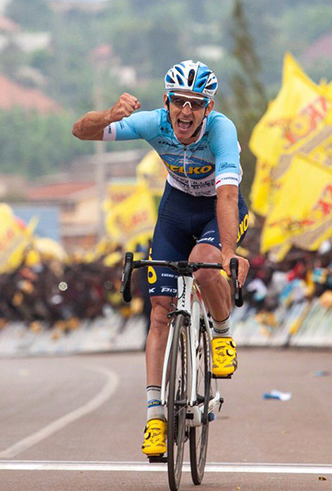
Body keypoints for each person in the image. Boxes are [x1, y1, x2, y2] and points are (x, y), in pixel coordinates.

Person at [73, 60, 250, 457]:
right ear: (166, 101)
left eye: (196, 104)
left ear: (208, 107)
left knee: (204, 265)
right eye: (179, 101)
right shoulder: (153, 123)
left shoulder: (221, 130)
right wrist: (110, 114)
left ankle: (222, 334)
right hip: (176, 208)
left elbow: (226, 195)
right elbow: (80, 131)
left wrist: (228, 253)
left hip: (218, 208)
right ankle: (155, 416)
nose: (186, 111)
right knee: (158, 311)